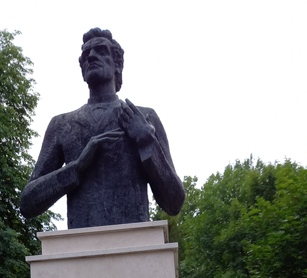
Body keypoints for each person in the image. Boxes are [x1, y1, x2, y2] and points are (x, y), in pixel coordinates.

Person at [20, 28, 185, 229]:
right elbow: (28, 202)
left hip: (136, 240)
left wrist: (147, 142)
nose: (91, 56)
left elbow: (174, 203)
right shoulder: (61, 125)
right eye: (85, 55)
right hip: (81, 241)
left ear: (117, 64)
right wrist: (76, 167)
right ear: (82, 69)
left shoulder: (144, 117)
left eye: (101, 51)